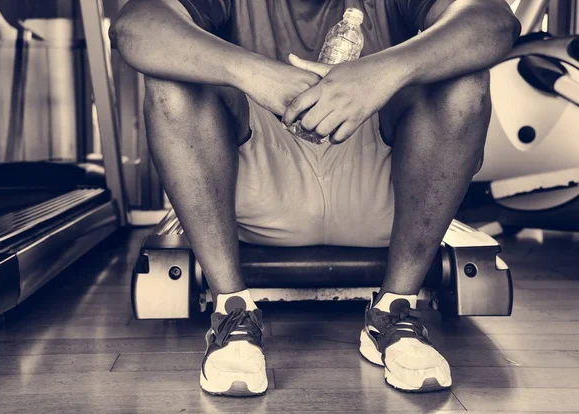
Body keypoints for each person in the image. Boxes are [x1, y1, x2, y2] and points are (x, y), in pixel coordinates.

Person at [111, 0, 520, 396]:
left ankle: (393, 311)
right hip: (258, 187)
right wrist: (254, 73)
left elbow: (494, 21)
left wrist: (381, 72)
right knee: (170, 70)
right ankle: (231, 310)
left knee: (464, 76)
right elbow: (135, 26)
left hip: (382, 186)